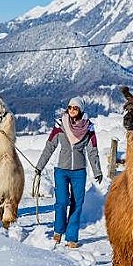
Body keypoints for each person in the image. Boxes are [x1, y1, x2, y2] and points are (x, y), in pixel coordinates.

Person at [34, 97, 103, 248]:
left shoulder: (89, 128)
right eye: (70, 107)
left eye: (75, 108)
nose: (72, 110)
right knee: (62, 201)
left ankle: (71, 237)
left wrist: (97, 170)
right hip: (61, 170)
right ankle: (58, 230)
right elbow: (49, 147)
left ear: (80, 110)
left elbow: (92, 151)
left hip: (79, 171)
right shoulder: (60, 124)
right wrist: (39, 166)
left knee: (77, 203)